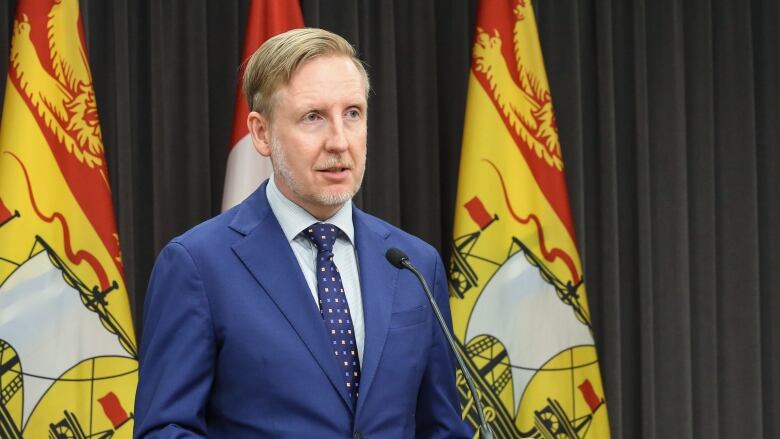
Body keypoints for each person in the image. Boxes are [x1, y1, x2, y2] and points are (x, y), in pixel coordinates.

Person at [133, 28, 469, 438]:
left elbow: (442, 427)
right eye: (313, 117)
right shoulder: (197, 265)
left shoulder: (414, 262)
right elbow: (165, 429)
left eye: (353, 113)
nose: (339, 142)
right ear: (261, 133)